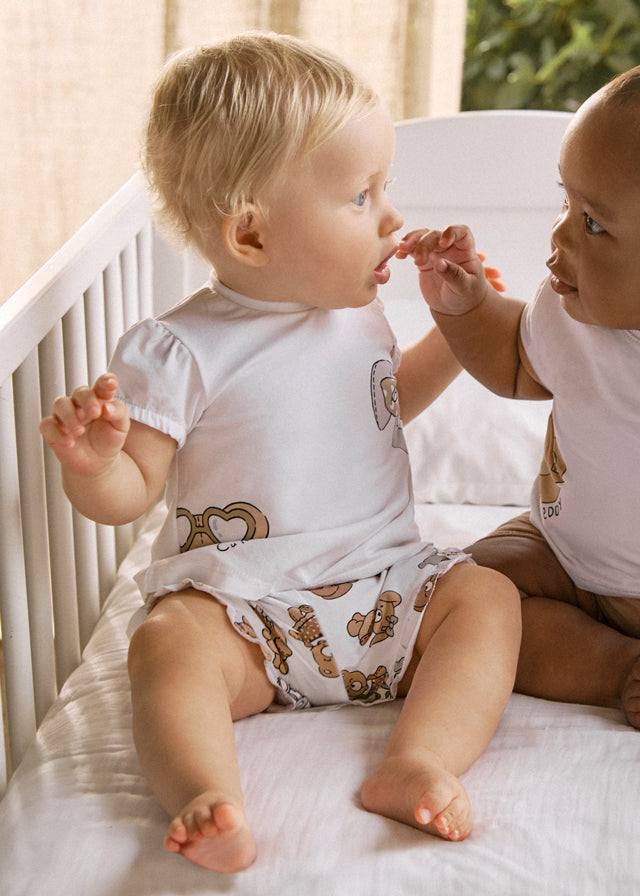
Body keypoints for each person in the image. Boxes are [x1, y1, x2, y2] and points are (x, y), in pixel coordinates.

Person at [40, 32, 521, 874]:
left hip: (386, 592)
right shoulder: (178, 348)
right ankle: (204, 792)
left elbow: (380, 408)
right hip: (247, 615)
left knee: (487, 599)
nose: (392, 217)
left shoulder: (356, 314)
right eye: (359, 196)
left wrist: (453, 331)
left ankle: (420, 758)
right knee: (165, 644)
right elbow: (133, 489)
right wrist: (95, 465)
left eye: (386, 189)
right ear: (252, 235)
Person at [397, 66, 640, 732]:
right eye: (566, 202)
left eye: (594, 225)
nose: (559, 236)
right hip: (558, 553)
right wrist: (468, 307)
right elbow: (513, 363)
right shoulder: (573, 315)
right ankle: (615, 667)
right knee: (460, 598)